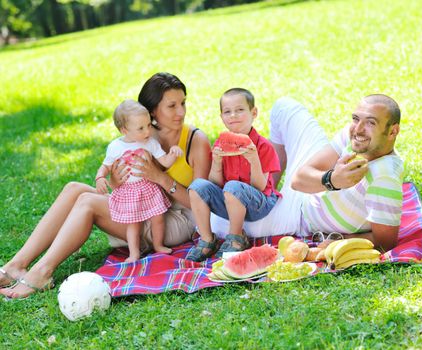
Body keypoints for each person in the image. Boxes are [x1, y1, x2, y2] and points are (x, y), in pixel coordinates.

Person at [0, 72, 211, 299]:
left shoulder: (195, 140)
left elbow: (203, 204)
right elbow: (125, 185)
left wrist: (161, 178)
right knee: (74, 188)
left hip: (177, 218)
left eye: (183, 103)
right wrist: (115, 181)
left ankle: (42, 272)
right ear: (151, 112)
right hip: (142, 208)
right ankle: (16, 265)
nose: (181, 112)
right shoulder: (142, 134)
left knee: (88, 203)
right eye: (172, 106)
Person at [211, 94, 403, 252]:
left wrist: (339, 241)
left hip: (298, 216)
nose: (358, 129)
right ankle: (268, 186)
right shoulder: (355, 135)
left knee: (215, 224)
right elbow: (298, 180)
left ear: (393, 131)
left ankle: (266, 199)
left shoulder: (384, 178)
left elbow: (385, 243)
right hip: (310, 187)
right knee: (283, 106)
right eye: (356, 118)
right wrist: (332, 179)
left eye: (371, 123)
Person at [187, 88, 281, 261]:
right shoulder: (221, 144)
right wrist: (216, 162)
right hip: (230, 200)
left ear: (254, 113)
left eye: (239, 110)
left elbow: (260, 187)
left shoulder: (263, 146)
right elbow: (215, 184)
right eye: (227, 112)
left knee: (232, 186)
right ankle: (208, 239)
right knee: (197, 186)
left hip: (259, 204)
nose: (233, 116)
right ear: (221, 117)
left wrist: (254, 160)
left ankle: (237, 237)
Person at [96, 99, 183, 262]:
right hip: (129, 191)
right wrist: (100, 177)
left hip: (148, 187)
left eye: (149, 125)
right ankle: (134, 253)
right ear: (124, 130)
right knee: (134, 224)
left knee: (158, 218)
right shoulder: (115, 147)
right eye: (140, 128)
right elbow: (105, 166)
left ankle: (158, 245)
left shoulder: (150, 143)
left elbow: (164, 161)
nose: (147, 131)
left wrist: (173, 153)